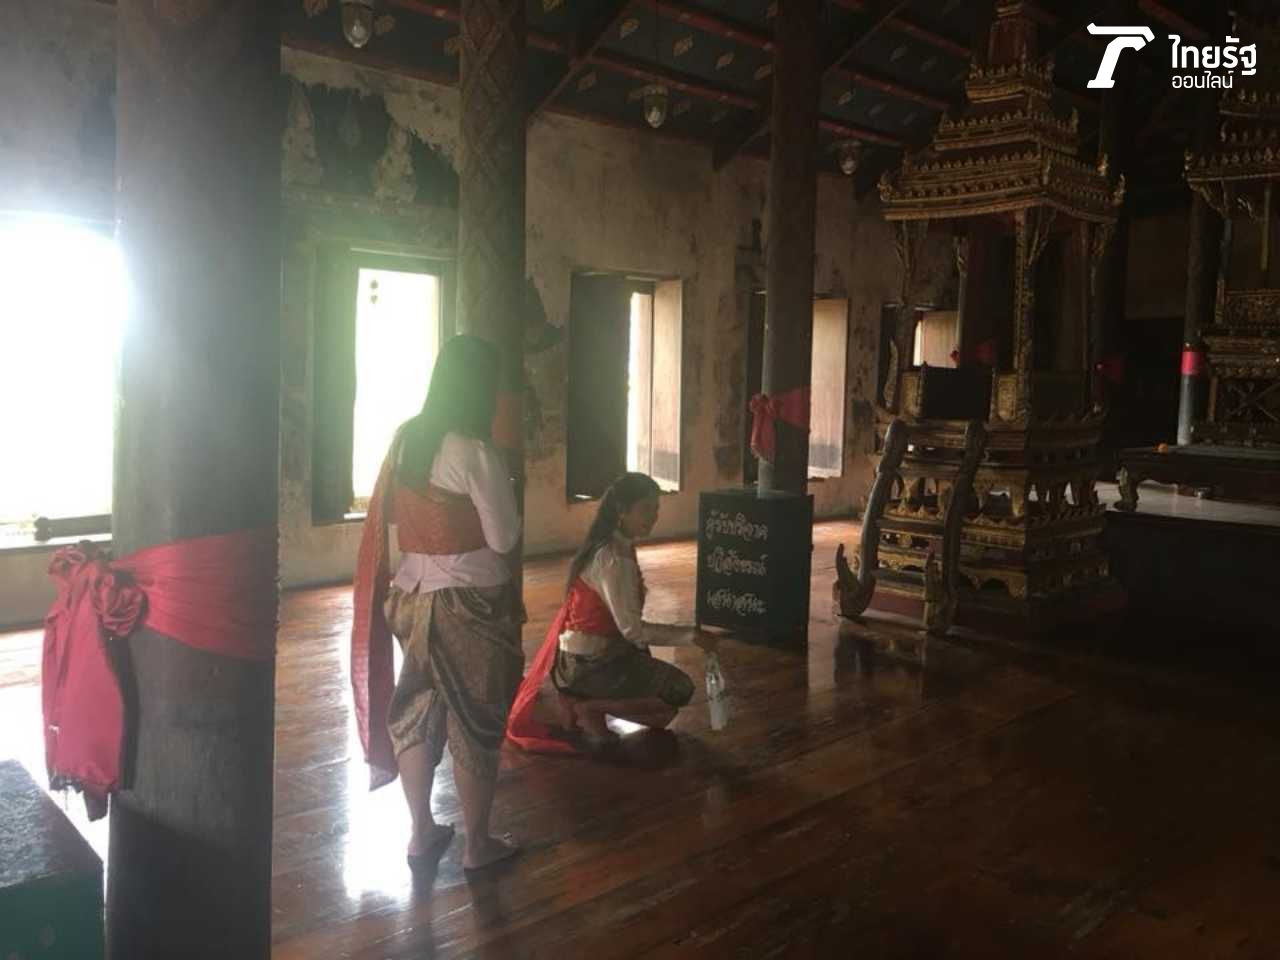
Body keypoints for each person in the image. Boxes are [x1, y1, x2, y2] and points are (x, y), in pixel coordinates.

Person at [351, 334, 523, 872]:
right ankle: (476, 845)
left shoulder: (407, 439)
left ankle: (421, 831)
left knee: (418, 708)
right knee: (475, 717)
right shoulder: (475, 451)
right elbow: (503, 538)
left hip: (410, 597)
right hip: (468, 604)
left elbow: (393, 517)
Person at [507, 472, 717, 752]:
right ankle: (590, 708)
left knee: (663, 716)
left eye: (656, 509)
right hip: (591, 665)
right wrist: (691, 636)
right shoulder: (614, 558)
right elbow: (632, 630)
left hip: (579, 662)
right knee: (680, 688)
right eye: (646, 509)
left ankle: (584, 705)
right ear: (622, 510)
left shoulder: (610, 545)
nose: (653, 517)